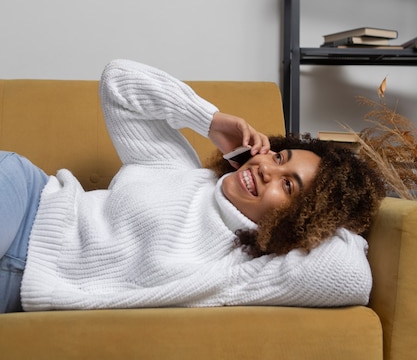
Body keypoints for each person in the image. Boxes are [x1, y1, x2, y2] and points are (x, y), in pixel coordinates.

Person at [0, 59, 385, 314]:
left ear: (305, 220)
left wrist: (317, 226)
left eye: (288, 187)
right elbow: (119, 82)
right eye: (279, 157)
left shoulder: (241, 265)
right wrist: (209, 120)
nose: (267, 168)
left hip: (19, 285)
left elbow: (349, 276)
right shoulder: (177, 168)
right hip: (27, 198)